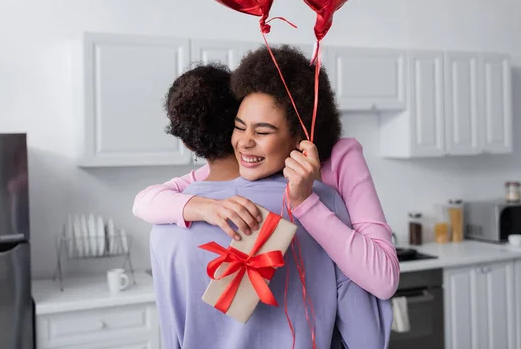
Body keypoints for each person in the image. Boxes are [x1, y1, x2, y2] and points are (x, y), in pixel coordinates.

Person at [150, 62, 391, 349]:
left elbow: (170, 338)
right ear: (234, 123)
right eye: (242, 127)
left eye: (261, 131)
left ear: (188, 145)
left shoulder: (164, 226)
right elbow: (367, 341)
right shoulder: (324, 204)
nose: (247, 139)